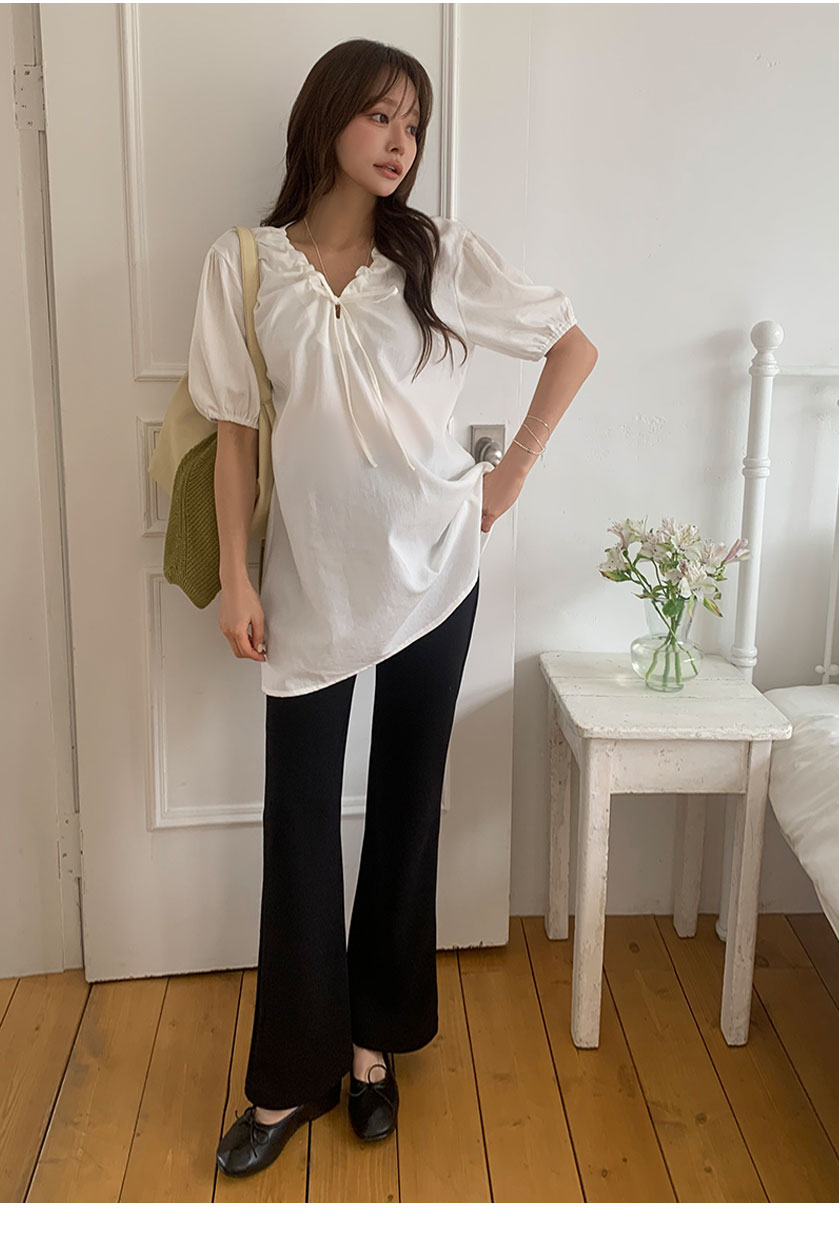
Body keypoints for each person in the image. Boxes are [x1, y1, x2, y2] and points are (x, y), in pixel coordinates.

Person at [186, 37, 597, 1177]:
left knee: (409, 806)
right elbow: (234, 432)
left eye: (413, 124)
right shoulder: (244, 265)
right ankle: (289, 1076)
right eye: (379, 116)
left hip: (437, 567)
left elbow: (572, 346)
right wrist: (237, 576)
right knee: (299, 818)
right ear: (326, 119)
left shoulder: (437, 256)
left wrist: (509, 478)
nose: (399, 141)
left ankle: (372, 1046)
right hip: (308, 580)